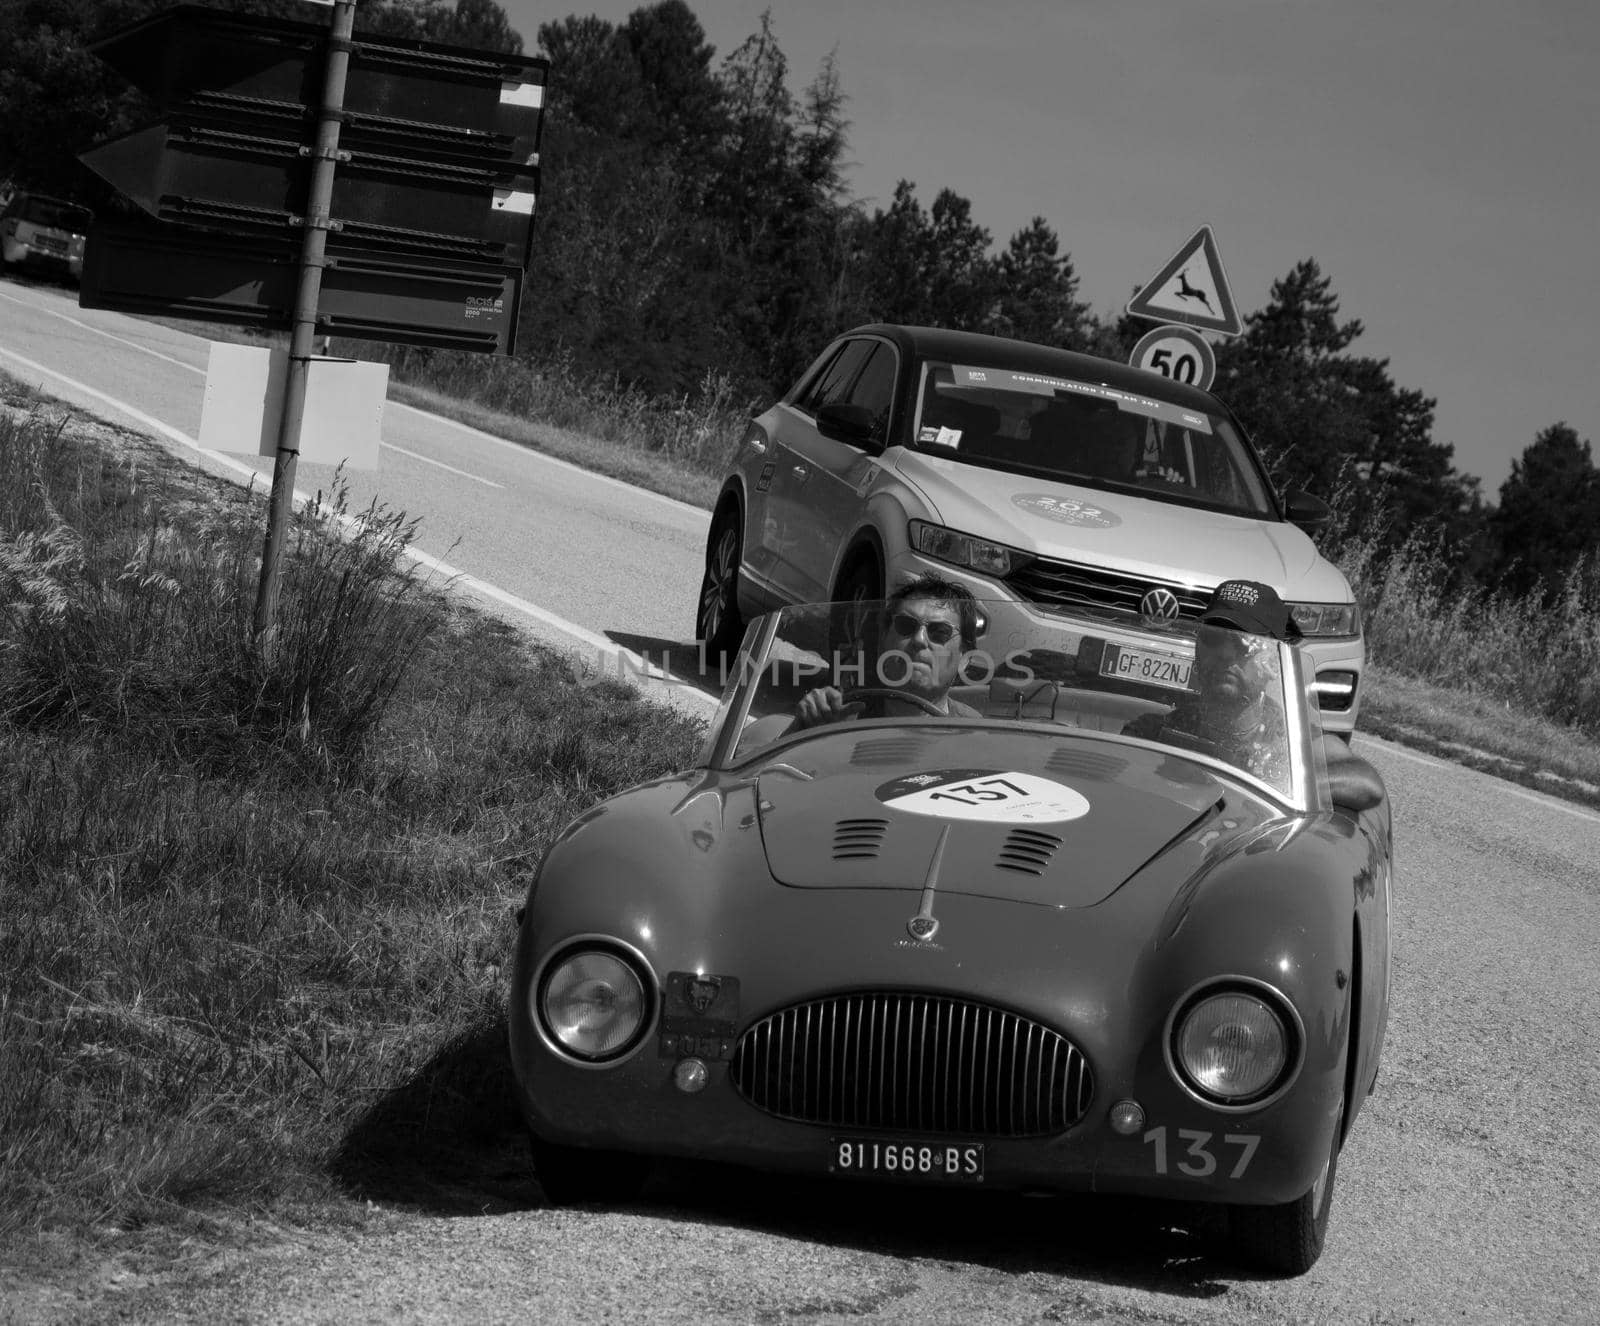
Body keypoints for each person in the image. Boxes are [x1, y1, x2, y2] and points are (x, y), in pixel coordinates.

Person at [1123, 579, 1300, 785]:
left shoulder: (1294, 747)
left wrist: (1280, 777)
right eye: (1213, 637)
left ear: (1275, 662)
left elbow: (1344, 774)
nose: (1225, 653)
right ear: (1197, 651)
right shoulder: (1152, 734)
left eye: (1246, 643)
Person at [791, 575, 984, 728]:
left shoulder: (975, 731)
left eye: (940, 632)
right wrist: (805, 725)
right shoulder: (840, 716)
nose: (919, 639)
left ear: (964, 658)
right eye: (905, 625)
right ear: (884, 639)